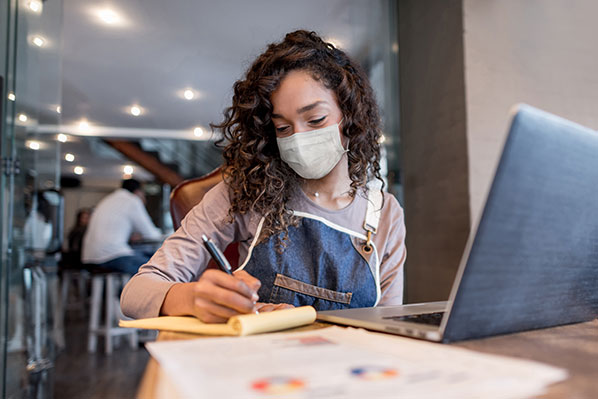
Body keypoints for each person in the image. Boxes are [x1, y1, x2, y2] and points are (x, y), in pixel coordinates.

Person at [121, 30, 406, 323]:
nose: (299, 138)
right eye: (283, 128)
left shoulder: (385, 214)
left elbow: (389, 324)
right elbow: (136, 292)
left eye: (315, 120)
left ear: (351, 116)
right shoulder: (248, 192)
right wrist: (193, 298)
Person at [82, 179, 163, 274]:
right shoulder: (132, 200)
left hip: (89, 258)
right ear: (138, 192)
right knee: (158, 267)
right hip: (112, 257)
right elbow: (151, 234)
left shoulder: (108, 199)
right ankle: (128, 289)